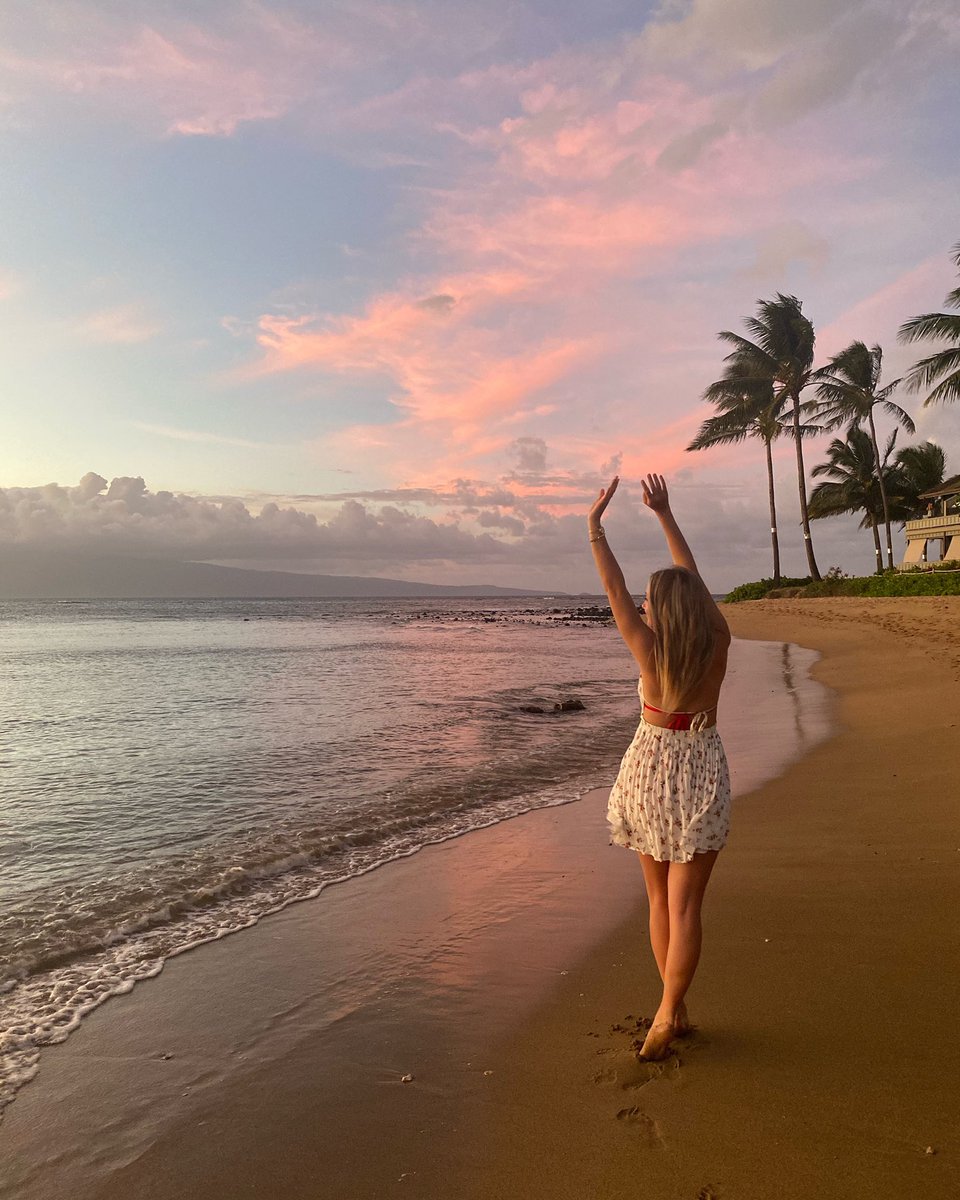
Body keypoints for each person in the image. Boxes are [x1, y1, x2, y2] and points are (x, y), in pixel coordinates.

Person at [588, 473, 731, 1061]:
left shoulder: (647, 649)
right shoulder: (718, 639)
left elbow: (616, 588)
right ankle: (670, 1010)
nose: (644, 604)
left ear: (660, 611)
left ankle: (672, 1009)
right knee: (686, 905)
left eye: (652, 601)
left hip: (649, 769)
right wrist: (665, 516)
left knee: (656, 902)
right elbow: (690, 582)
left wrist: (596, 528)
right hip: (699, 770)